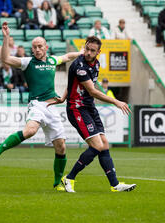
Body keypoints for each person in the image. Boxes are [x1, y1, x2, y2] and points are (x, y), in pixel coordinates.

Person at [0, 22, 83, 191]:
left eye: (40, 46)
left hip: (52, 106)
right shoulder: (27, 62)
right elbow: (6, 59)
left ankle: (58, 182)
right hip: (36, 104)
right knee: (30, 131)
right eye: (34, 47)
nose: (37, 50)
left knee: (61, 147)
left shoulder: (52, 60)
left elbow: (66, 57)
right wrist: (6, 38)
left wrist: (80, 53)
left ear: (46, 47)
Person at [53, 36, 136, 193]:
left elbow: (83, 84)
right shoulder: (80, 65)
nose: (88, 53)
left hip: (89, 107)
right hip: (77, 109)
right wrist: (116, 101)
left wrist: (63, 96)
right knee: (97, 145)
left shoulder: (95, 64)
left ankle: (115, 184)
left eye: (92, 50)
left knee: (104, 144)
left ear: (99, 52)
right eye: (87, 49)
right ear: (84, 47)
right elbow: (92, 90)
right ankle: (69, 178)